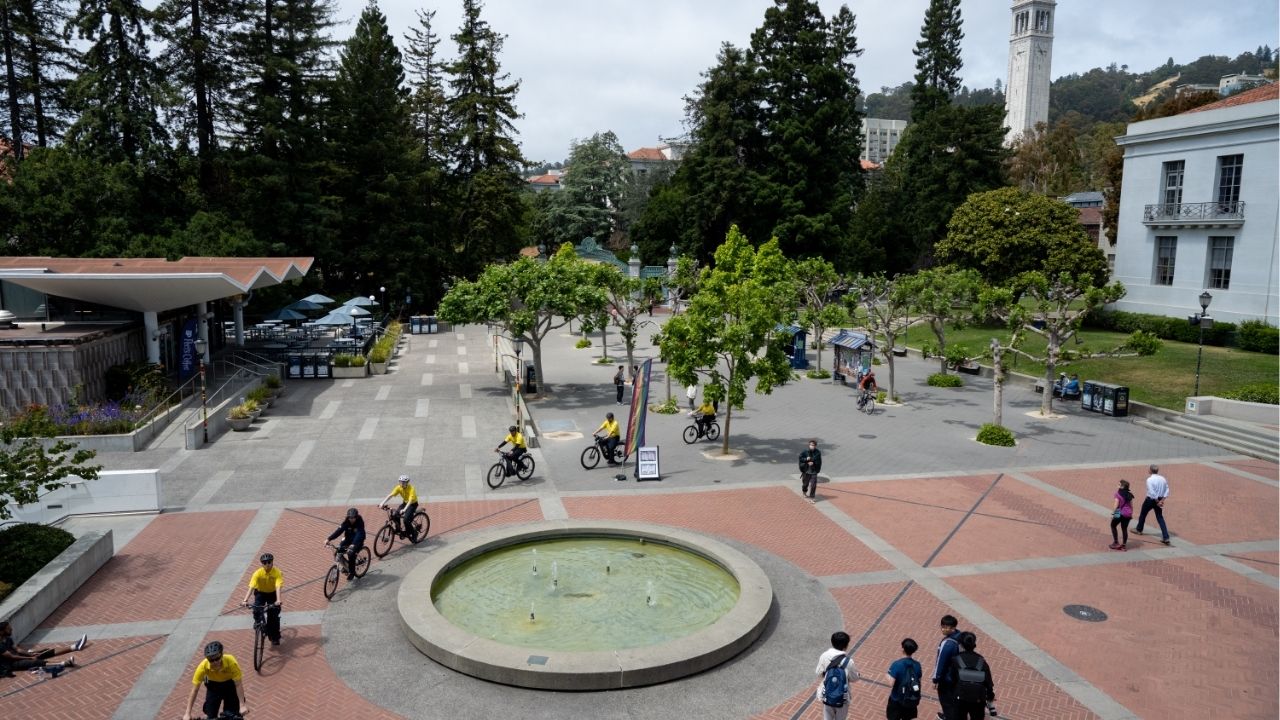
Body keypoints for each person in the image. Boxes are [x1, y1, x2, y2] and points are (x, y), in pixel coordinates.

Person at [182, 640, 247, 720]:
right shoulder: (203, 667)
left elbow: (238, 684)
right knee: (210, 714)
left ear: (222, 655)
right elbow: (194, 690)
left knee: (232, 714)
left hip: (230, 687)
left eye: (217, 658)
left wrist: (242, 705)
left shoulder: (231, 662)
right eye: (211, 660)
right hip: (213, 687)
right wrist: (187, 713)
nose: (215, 662)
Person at [0, 620, 83, 678]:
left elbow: (18, 650)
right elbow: (11, 657)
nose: (11, 629)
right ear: (1, 632)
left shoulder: (8, 639)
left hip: (17, 657)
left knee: (44, 652)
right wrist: (29, 658)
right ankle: (64, 663)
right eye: (8, 629)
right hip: (11, 664)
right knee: (35, 662)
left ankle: (74, 647)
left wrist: (31, 654)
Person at [943, 632, 995, 720]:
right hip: (978, 699)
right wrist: (990, 696)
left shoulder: (956, 660)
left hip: (960, 697)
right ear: (974, 644)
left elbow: (951, 680)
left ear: (960, 645)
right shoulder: (981, 661)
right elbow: (988, 683)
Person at [240, 553, 283, 646]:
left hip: (272, 594)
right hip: (261, 593)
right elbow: (251, 587)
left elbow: (278, 586)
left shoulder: (277, 573)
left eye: (269, 562)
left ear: (272, 562)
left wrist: (278, 600)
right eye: (264, 563)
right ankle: (258, 622)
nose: (267, 564)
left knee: (273, 617)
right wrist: (245, 600)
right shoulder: (257, 573)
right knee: (256, 608)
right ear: (261, 564)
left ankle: (274, 637)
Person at [815, 630, 858, 720]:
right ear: (846, 646)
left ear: (832, 642)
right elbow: (854, 678)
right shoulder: (848, 661)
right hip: (843, 697)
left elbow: (818, 673)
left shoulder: (824, 656)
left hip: (827, 694)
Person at [931, 615, 962, 720]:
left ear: (953, 628)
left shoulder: (947, 644)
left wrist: (935, 679)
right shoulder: (960, 636)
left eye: (946, 627)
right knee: (954, 699)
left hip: (947, 679)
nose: (943, 629)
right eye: (942, 626)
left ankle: (948, 717)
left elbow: (941, 662)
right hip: (957, 676)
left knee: (946, 701)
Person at [885, 637, 923, 720]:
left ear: (903, 649)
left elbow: (891, 683)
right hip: (910, 699)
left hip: (896, 699)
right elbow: (919, 681)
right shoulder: (917, 665)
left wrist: (887, 675)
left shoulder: (897, 664)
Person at [1133, 464, 1172, 545]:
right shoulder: (1163, 479)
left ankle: (1139, 529)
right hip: (1160, 499)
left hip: (1151, 500)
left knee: (1143, 514)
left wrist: (1157, 501)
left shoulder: (1149, 480)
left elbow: (1152, 491)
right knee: (1160, 517)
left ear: (1150, 470)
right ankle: (1166, 537)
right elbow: (1167, 489)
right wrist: (1162, 500)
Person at [326, 507, 366, 577]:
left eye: (353, 518)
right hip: (348, 539)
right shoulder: (346, 522)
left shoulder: (360, 522)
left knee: (351, 554)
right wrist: (329, 539)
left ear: (356, 517)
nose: (351, 519)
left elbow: (359, 534)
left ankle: (352, 572)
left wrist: (353, 544)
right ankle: (346, 566)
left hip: (358, 540)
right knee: (338, 552)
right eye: (350, 517)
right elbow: (339, 530)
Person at [1109, 479, 1135, 551]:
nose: (1117, 485)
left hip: (1118, 511)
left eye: (1119, 484)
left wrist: (1113, 513)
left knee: (1113, 525)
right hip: (1128, 514)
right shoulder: (1129, 494)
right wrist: (1131, 513)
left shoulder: (1118, 494)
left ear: (1122, 487)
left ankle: (1116, 542)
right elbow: (1131, 505)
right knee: (1124, 528)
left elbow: (1116, 505)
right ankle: (1123, 545)